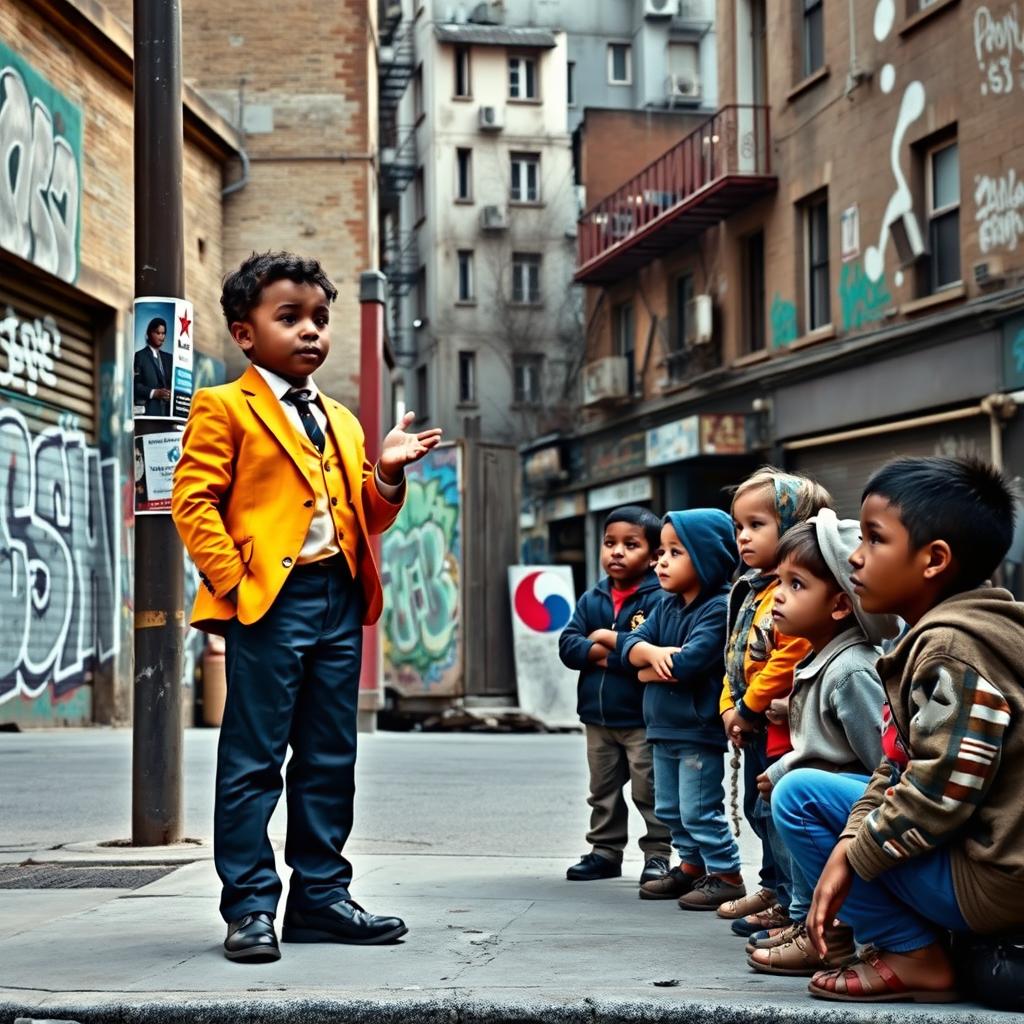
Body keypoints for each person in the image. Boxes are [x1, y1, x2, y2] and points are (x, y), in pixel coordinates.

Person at [171, 251, 442, 963]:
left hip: (338, 598)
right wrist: (236, 585)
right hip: (269, 600)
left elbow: (367, 517)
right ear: (245, 333)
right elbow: (192, 502)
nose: (310, 332)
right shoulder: (223, 406)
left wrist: (385, 471)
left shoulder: (344, 421)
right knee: (253, 761)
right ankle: (251, 907)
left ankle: (321, 898)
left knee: (330, 756)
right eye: (288, 318)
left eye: (320, 319)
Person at [773, 456, 1024, 1003]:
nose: (856, 558)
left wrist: (853, 856)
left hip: (996, 880)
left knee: (798, 797)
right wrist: (850, 840)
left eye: (873, 540)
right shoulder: (957, 632)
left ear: (934, 560)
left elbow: (942, 787)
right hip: (988, 868)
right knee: (833, 813)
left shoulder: (954, 648)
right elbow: (898, 764)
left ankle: (910, 954)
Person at [743, 511, 898, 975]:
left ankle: (831, 938)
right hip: (828, 803)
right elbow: (821, 745)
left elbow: (881, 765)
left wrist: (790, 774)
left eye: (795, 585)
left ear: (838, 606)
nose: (778, 600)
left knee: (798, 803)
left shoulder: (851, 670)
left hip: (853, 817)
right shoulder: (821, 659)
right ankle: (808, 922)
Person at [716, 468, 831, 934]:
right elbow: (735, 656)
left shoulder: (795, 594)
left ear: (795, 526)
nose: (743, 538)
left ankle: (791, 901)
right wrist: (730, 705)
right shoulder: (750, 587)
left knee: (776, 812)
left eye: (756, 525)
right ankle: (773, 885)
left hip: (786, 726)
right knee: (759, 813)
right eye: (739, 527)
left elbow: (787, 656)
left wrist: (748, 707)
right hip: (754, 720)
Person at [621, 509, 744, 910]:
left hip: (696, 731)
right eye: (661, 552)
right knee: (670, 808)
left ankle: (726, 874)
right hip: (662, 728)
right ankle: (691, 867)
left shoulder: (717, 608)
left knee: (698, 810)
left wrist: (647, 668)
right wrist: (651, 656)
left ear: (706, 557)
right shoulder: (667, 605)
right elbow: (628, 647)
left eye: (675, 552)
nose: (661, 562)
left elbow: (688, 664)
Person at [558, 506, 673, 884]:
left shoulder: (659, 599)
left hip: (641, 718)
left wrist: (609, 649)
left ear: (654, 554)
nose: (617, 552)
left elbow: (656, 651)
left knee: (648, 790)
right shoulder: (593, 598)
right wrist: (611, 652)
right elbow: (568, 645)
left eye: (630, 544)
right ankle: (605, 851)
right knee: (602, 790)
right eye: (610, 543)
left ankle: (657, 854)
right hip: (597, 716)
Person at [133, 316, 173, 415]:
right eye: (158, 333)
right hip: (149, 413)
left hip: (167, 414)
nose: (161, 336)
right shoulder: (140, 355)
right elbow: (135, 386)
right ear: (149, 333)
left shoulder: (169, 358)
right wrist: (154, 393)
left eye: (163, 333)